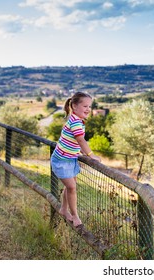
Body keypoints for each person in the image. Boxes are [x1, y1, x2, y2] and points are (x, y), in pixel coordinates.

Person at [51, 92, 101, 227]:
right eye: (85, 106)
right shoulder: (75, 122)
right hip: (61, 161)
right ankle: (75, 216)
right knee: (72, 187)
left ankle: (63, 209)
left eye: (89, 106)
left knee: (70, 186)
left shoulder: (76, 120)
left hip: (70, 158)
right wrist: (91, 154)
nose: (88, 109)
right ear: (74, 106)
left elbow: (71, 141)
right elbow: (80, 140)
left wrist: (77, 151)